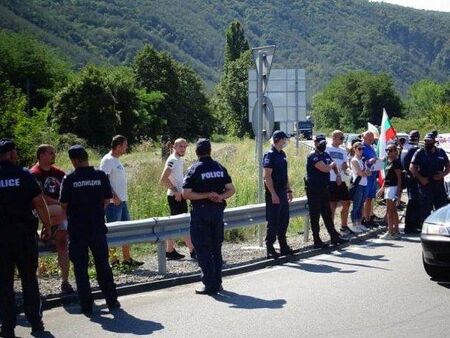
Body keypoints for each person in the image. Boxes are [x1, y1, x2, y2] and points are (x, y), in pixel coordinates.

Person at [60, 145, 120, 315]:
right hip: (97, 228)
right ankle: (112, 301)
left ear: (74, 161)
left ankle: (87, 306)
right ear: (86, 157)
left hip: (78, 230)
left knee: (80, 268)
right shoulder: (100, 176)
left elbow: (63, 204)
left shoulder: (69, 179)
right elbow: (107, 200)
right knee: (103, 265)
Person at [0, 139, 51, 337]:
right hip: (24, 236)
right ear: (12, 154)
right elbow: (39, 203)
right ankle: (36, 322)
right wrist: (47, 226)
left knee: (4, 283)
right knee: (29, 280)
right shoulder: (24, 175)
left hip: (1, 240)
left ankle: (7, 327)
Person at [182, 139, 235, 295]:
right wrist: (220, 196)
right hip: (217, 212)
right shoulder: (219, 167)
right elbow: (231, 190)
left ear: (197, 152)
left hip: (201, 214)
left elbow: (186, 193)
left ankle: (209, 284)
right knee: (216, 249)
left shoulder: (194, 169)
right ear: (210, 151)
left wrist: (206, 195)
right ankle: (218, 283)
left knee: (203, 249)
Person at [30, 144, 74, 294]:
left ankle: (65, 282)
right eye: (50, 153)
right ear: (41, 155)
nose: (54, 155)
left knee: (62, 244)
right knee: (64, 212)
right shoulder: (34, 174)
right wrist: (59, 204)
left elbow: (67, 192)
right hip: (41, 210)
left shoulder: (59, 173)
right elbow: (39, 198)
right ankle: (48, 226)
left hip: (59, 212)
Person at [99, 135, 143, 268]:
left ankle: (127, 259)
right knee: (113, 232)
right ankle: (113, 260)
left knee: (126, 230)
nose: (126, 147)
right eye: (125, 145)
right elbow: (103, 180)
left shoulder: (116, 160)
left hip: (122, 202)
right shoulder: (107, 160)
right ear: (118, 146)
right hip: (113, 203)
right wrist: (113, 196)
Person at [305, 135, 348, 249]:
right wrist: (332, 165)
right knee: (315, 216)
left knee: (327, 214)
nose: (323, 145)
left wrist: (338, 174)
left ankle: (334, 237)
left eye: (324, 143)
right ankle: (317, 240)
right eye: (320, 143)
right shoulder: (313, 156)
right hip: (314, 190)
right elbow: (325, 168)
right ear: (315, 143)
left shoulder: (325, 154)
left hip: (324, 188)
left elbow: (332, 165)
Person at [159, 138, 196, 260]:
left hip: (179, 196)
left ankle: (170, 250)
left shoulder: (178, 159)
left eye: (185, 146)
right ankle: (193, 250)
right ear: (174, 147)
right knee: (183, 224)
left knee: (175, 224)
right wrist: (176, 192)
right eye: (181, 146)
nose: (183, 149)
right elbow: (163, 178)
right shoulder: (173, 160)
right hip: (175, 197)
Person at [263, 130, 294, 259]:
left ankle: (283, 246)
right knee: (273, 221)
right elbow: (267, 177)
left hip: (282, 191)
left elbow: (284, 175)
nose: (285, 141)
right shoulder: (270, 155)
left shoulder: (282, 154)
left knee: (283, 220)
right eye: (283, 139)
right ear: (277, 139)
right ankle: (270, 247)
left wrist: (289, 190)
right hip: (274, 193)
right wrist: (273, 194)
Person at [410, 133, 450, 226]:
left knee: (441, 209)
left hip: (439, 186)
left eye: (429, 141)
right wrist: (421, 178)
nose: (426, 142)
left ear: (434, 141)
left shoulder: (441, 152)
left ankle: (441, 229)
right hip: (425, 185)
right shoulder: (420, 152)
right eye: (425, 141)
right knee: (425, 210)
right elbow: (412, 167)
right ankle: (426, 229)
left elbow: (448, 166)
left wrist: (443, 174)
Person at [326, 130, 352, 236]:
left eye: (343, 138)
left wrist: (345, 166)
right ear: (334, 138)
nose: (342, 140)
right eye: (341, 138)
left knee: (347, 202)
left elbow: (345, 162)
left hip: (341, 179)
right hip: (331, 179)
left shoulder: (343, 150)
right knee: (332, 205)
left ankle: (344, 226)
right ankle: (331, 229)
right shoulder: (327, 148)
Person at [377, 143, 402, 240]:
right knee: (393, 210)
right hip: (388, 187)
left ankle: (391, 232)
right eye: (387, 150)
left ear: (396, 151)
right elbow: (387, 177)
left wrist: (398, 191)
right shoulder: (388, 161)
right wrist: (382, 188)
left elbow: (399, 177)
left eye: (391, 150)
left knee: (390, 211)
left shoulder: (396, 162)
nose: (388, 152)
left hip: (393, 187)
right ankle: (396, 231)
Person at [401, 130, 421, 234]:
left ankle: (411, 225)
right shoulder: (414, 149)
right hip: (413, 178)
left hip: (408, 177)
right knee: (414, 202)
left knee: (412, 201)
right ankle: (410, 226)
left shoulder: (405, 147)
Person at [349, 142, 372, 233]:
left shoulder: (362, 160)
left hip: (364, 183)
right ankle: (354, 224)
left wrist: (365, 172)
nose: (361, 151)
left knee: (361, 204)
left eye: (362, 149)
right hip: (358, 184)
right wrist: (365, 172)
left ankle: (359, 223)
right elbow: (360, 173)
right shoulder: (354, 160)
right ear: (354, 149)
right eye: (359, 149)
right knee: (356, 204)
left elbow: (368, 172)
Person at [361, 131, 381, 227]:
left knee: (370, 198)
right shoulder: (361, 147)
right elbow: (360, 160)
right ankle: (363, 218)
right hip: (365, 177)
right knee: (364, 198)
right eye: (369, 138)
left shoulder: (371, 147)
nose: (371, 140)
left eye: (372, 138)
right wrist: (369, 161)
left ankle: (368, 218)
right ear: (363, 137)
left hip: (373, 175)